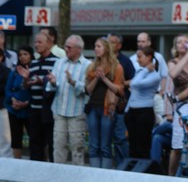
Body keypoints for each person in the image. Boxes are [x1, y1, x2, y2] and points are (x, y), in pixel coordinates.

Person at [46, 35, 91, 165]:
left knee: (77, 148)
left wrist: (73, 82)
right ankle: (58, 174)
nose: (66, 49)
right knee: (58, 147)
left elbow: (88, 89)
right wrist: (53, 82)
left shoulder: (88, 65)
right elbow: (51, 87)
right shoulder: (59, 62)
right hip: (59, 110)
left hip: (77, 113)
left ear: (79, 49)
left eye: (69, 47)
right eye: (65, 46)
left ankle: (77, 175)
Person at [85, 38, 124, 168]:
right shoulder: (92, 67)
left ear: (106, 49)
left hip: (107, 108)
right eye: (95, 46)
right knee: (93, 144)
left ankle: (105, 174)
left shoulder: (116, 67)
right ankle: (94, 172)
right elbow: (88, 90)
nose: (95, 49)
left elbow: (118, 89)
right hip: (93, 108)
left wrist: (104, 78)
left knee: (105, 145)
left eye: (99, 46)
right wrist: (97, 77)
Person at [167, 34, 188, 176]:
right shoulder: (173, 62)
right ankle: (171, 176)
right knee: (177, 147)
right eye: (179, 42)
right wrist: (187, 55)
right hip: (182, 106)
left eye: (185, 42)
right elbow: (173, 74)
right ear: (175, 47)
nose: (182, 44)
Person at [26, 32, 58, 161]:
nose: (36, 45)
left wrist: (42, 82)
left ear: (49, 44)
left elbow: (57, 85)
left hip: (49, 110)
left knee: (51, 143)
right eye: (35, 42)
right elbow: (27, 86)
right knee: (34, 143)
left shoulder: (57, 62)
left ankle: (52, 169)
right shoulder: (33, 63)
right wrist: (25, 80)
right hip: (34, 109)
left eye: (39, 42)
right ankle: (35, 169)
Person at [125, 46, 161, 159]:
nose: (137, 60)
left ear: (149, 57)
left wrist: (146, 70)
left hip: (144, 113)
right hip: (132, 111)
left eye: (140, 57)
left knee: (142, 146)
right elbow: (134, 92)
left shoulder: (154, 76)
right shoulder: (140, 72)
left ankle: (143, 168)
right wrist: (127, 110)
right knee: (132, 145)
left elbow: (134, 84)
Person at [107, 33, 135, 165]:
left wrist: (120, 82)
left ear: (119, 46)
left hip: (120, 105)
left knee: (120, 138)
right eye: (108, 42)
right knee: (105, 139)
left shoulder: (125, 61)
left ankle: (122, 167)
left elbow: (133, 80)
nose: (109, 45)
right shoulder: (102, 60)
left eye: (112, 42)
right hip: (104, 105)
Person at [5, 45, 33, 159]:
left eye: (25, 54)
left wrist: (26, 103)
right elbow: (8, 89)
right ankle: (17, 162)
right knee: (16, 138)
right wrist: (13, 100)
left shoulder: (34, 70)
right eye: (20, 55)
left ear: (31, 56)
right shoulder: (15, 72)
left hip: (30, 109)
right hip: (14, 110)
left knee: (35, 137)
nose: (22, 57)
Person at [0, 49, 11, 158]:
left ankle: (5, 161)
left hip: (2, 108)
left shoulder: (6, 71)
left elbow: (6, 89)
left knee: (4, 138)